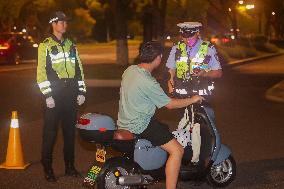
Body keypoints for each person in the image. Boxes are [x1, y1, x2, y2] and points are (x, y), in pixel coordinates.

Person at [117, 41, 204, 189]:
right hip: (141, 125)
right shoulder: (149, 82)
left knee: (163, 127)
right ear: (158, 58)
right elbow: (169, 104)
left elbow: (141, 88)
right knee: (177, 150)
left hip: (124, 121)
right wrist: (192, 100)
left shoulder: (130, 70)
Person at [36, 11, 86, 182]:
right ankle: (47, 168)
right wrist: (47, 95)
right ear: (53, 24)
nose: (65, 24)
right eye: (61, 22)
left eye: (66, 22)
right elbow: (41, 73)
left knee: (69, 133)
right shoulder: (46, 45)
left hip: (70, 93)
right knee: (50, 134)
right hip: (54, 96)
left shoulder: (71, 45)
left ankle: (70, 166)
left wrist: (81, 91)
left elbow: (79, 70)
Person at [166, 22, 222, 97]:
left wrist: (205, 73)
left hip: (202, 95)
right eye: (184, 36)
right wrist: (170, 86)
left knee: (208, 109)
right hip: (181, 94)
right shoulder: (176, 48)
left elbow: (218, 73)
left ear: (197, 33)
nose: (187, 39)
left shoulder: (208, 48)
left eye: (190, 36)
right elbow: (171, 70)